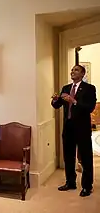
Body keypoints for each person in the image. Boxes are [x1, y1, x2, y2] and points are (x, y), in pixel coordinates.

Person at [51, 65, 96, 197]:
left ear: (82, 74)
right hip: (68, 127)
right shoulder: (65, 88)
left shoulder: (89, 88)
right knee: (68, 156)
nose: (72, 72)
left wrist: (74, 101)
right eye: (71, 70)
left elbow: (90, 107)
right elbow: (57, 105)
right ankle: (70, 182)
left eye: (76, 70)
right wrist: (55, 100)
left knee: (85, 157)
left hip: (82, 128)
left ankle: (87, 186)